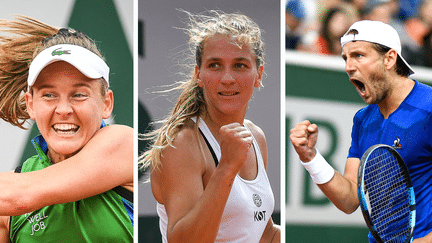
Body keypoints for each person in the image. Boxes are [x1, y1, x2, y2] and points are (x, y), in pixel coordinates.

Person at [140, 10, 280, 243]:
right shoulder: (181, 142)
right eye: (215, 65)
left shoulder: (256, 137)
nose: (227, 78)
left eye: (240, 65)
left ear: (259, 74)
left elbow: (263, 234)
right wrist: (226, 167)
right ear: (199, 75)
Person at [290, 20, 432, 242]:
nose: (348, 66)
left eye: (358, 56)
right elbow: (349, 200)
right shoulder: (363, 120)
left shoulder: (429, 108)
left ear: (389, 59)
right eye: (345, 58)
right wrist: (310, 157)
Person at [0, 15, 133, 242]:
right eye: (49, 95)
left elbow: (18, 195)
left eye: (79, 95)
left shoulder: (124, 144)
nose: (63, 109)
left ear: (106, 104)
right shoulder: (10, 200)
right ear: (31, 104)